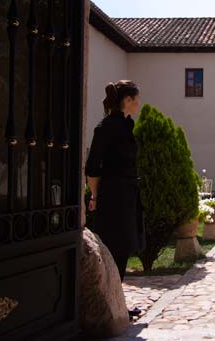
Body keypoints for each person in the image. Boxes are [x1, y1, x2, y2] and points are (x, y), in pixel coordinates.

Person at [85, 80, 144, 318]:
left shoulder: (126, 126)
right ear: (127, 101)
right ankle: (108, 304)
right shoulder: (106, 127)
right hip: (113, 196)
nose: (139, 104)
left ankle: (116, 301)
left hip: (127, 194)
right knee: (112, 249)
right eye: (136, 99)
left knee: (122, 250)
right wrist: (96, 195)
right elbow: (92, 167)